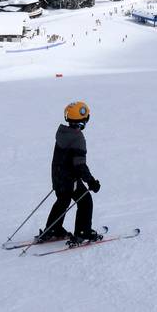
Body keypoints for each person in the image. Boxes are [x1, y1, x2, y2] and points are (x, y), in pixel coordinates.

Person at [37, 101, 103, 244]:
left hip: (57, 176)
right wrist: (91, 181)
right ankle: (83, 232)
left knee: (63, 200)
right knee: (85, 201)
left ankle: (53, 229)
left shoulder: (62, 133)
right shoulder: (78, 139)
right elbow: (80, 165)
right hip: (69, 179)